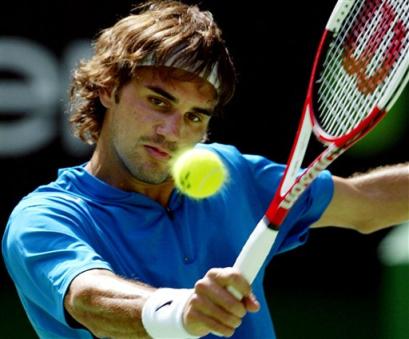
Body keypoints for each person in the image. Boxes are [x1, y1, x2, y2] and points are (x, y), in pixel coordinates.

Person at [2, 1, 408, 338]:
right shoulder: (44, 219)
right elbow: (89, 299)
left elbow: (368, 204)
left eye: (195, 116)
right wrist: (180, 310)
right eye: (159, 102)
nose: (171, 131)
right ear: (109, 88)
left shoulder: (231, 175)